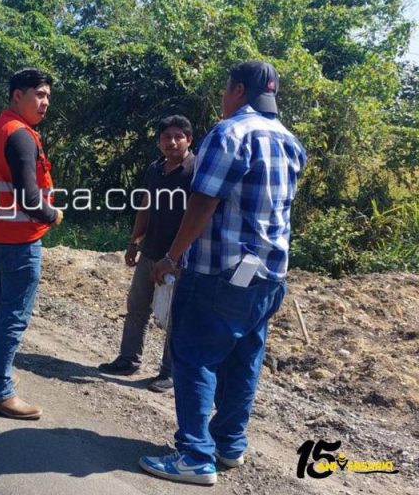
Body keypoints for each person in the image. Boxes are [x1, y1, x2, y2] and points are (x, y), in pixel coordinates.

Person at [138, 61, 307, 486]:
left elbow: (203, 202)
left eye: (225, 89)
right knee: (245, 358)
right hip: (269, 274)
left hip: (221, 270)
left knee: (194, 354)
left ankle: (195, 456)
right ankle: (229, 443)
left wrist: (172, 257)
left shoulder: (229, 133)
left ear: (237, 90)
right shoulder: (290, 141)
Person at [0, 68, 64, 420]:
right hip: (18, 240)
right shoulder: (21, 135)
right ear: (17, 95)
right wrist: (52, 215)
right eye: (39, 95)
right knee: (13, 315)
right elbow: (28, 197)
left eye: (48, 97)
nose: (45, 103)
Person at [98, 115, 195, 393]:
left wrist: (177, 256)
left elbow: (197, 216)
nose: (172, 142)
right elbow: (145, 205)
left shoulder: (195, 171)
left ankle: (169, 373)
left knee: (175, 317)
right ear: (159, 142)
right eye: (166, 137)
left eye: (178, 136)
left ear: (189, 140)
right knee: (137, 307)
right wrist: (134, 242)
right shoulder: (156, 169)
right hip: (150, 251)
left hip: (179, 259)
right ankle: (128, 360)